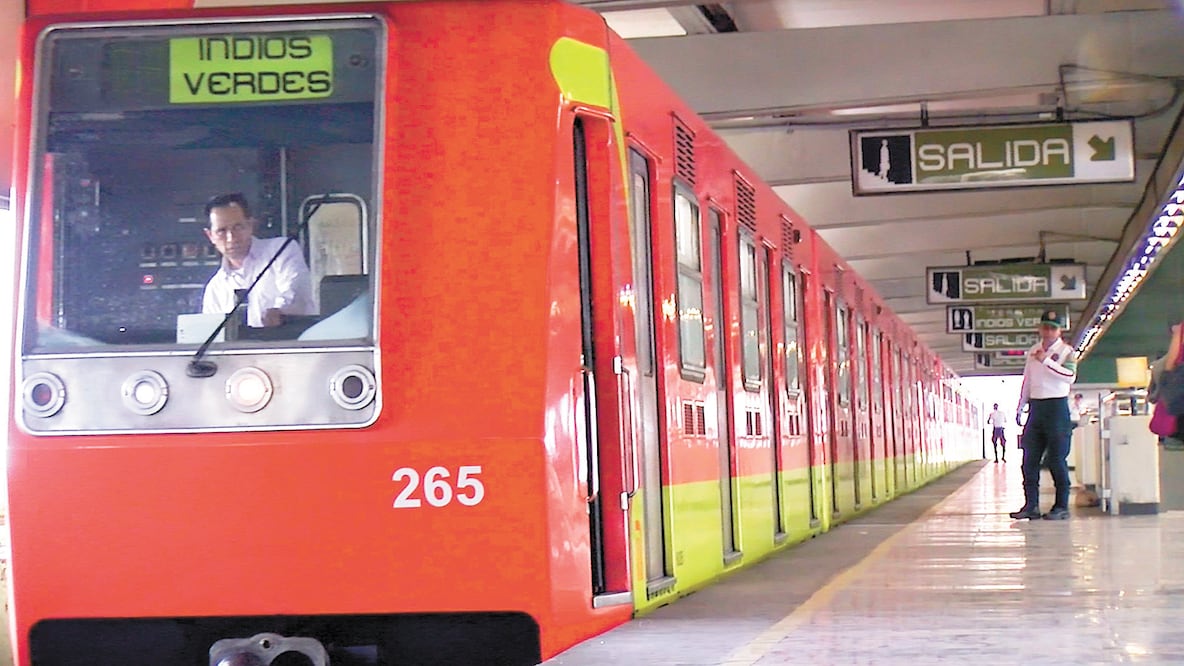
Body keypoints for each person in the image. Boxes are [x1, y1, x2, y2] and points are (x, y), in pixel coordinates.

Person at [201, 193, 317, 328]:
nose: (231, 238)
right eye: (221, 231)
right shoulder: (215, 289)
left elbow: (297, 293)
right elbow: (211, 334)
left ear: (250, 225)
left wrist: (278, 312)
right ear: (210, 236)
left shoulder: (281, 250)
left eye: (238, 227)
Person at [1010, 310, 1077, 521]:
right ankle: (1031, 506)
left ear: (1059, 331)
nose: (1048, 332)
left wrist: (1046, 361)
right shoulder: (1033, 351)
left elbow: (1069, 376)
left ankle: (1061, 506)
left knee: (1057, 459)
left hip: (1057, 408)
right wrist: (1021, 405)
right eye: (1045, 327)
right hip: (1036, 408)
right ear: (1040, 328)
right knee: (1029, 459)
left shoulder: (1067, 352)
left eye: (1052, 328)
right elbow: (1027, 380)